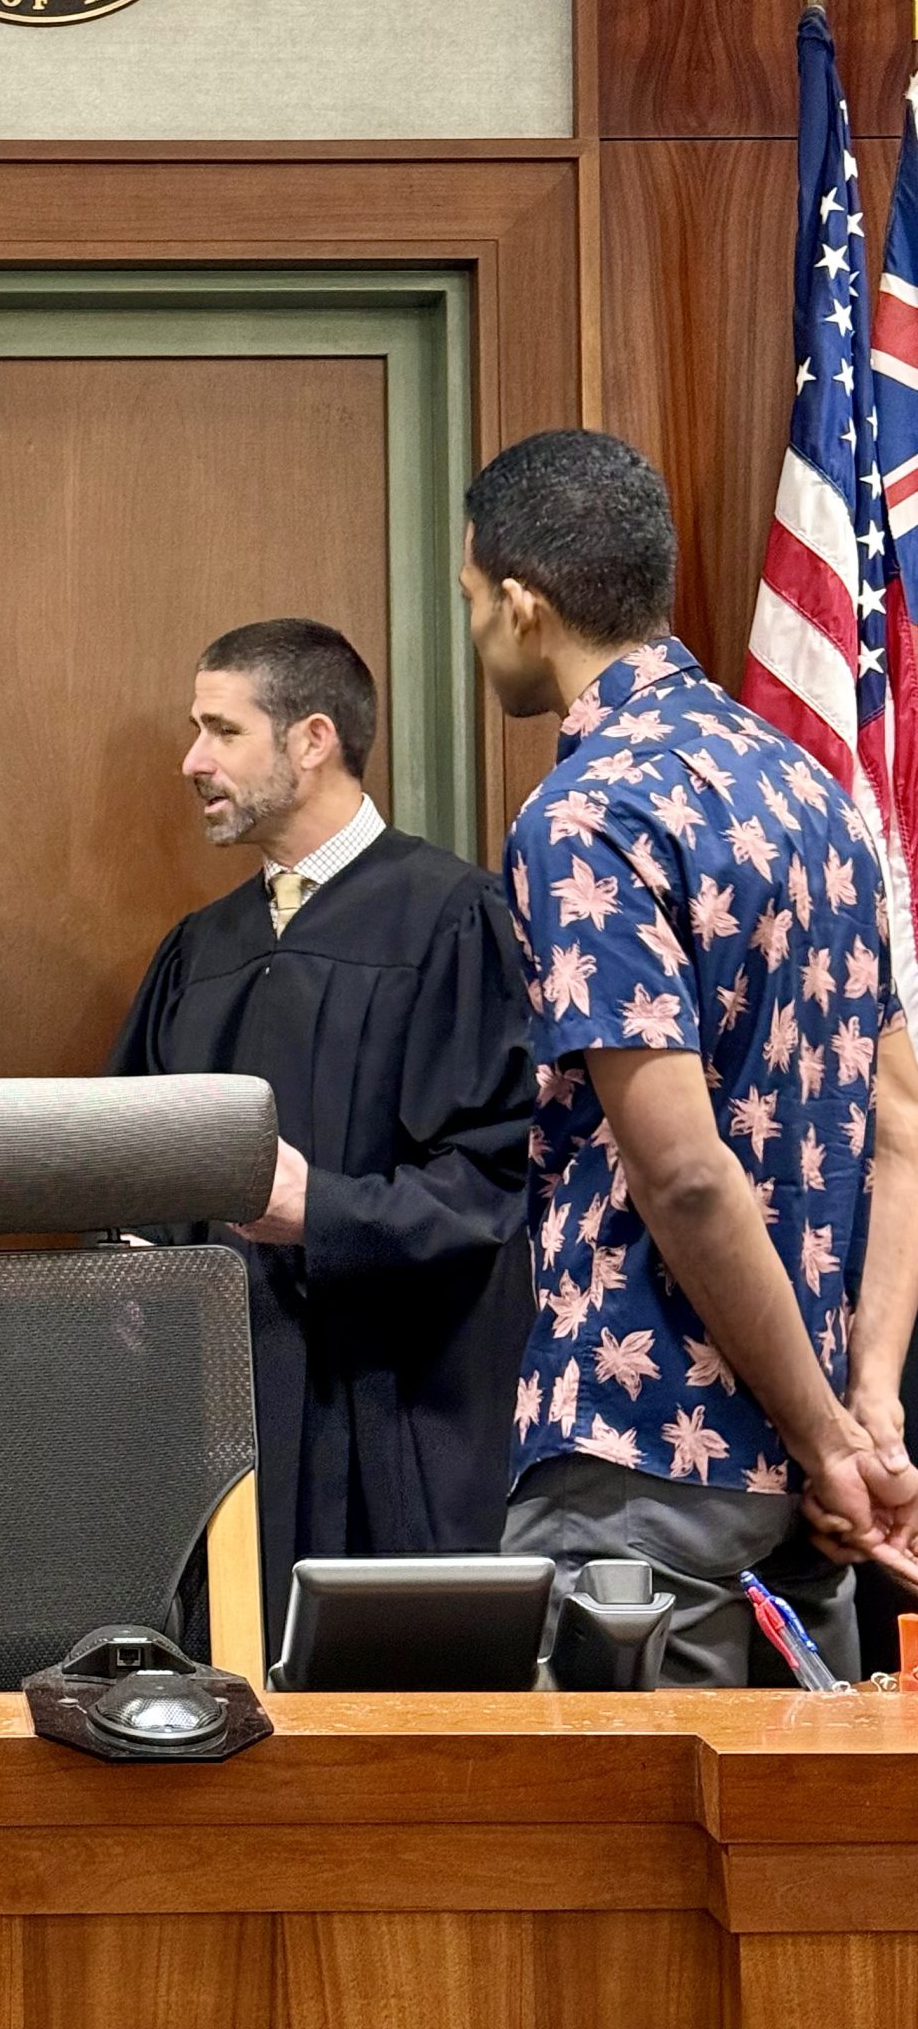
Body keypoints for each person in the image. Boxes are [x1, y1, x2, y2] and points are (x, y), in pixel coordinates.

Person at [463, 429, 918, 1684]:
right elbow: (902, 1129)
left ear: (519, 602)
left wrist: (834, 1440)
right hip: (805, 1472)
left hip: (642, 1462)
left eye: (470, 602)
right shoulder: (816, 793)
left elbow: (688, 1176)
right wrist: (864, 1406)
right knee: (785, 1868)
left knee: (614, 1871)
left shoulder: (589, 809)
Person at [110, 618, 535, 1641]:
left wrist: (324, 1210)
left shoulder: (452, 919)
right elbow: (124, 1161)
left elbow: (497, 1180)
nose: (192, 760)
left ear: (311, 740)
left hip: (393, 1414)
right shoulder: (200, 950)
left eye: (221, 729)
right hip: (217, 1420)